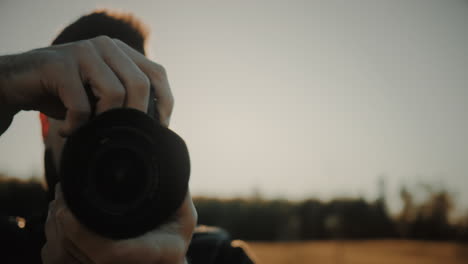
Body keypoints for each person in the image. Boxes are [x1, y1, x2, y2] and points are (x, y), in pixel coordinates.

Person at [0, 10, 254, 264]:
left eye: (129, 116)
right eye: (85, 105)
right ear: (45, 124)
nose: (107, 137)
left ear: (157, 130)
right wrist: (5, 80)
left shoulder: (219, 256)